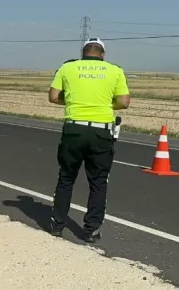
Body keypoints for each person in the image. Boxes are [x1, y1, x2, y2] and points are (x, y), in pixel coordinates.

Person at [48, 37, 130, 243]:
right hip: (101, 132)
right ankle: (91, 230)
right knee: (98, 182)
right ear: (102, 54)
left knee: (66, 179)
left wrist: (75, 100)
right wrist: (107, 104)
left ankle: (57, 225)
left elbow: (53, 96)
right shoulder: (115, 70)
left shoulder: (67, 68)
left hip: (74, 129)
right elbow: (124, 101)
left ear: (83, 53)